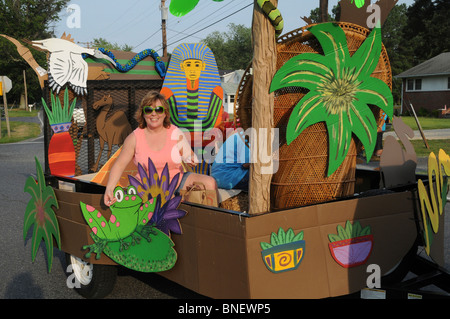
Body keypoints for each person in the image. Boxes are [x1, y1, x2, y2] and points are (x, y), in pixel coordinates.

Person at [103, 91, 218, 206]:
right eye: (149, 110)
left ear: (165, 114)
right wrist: (109, 188)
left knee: (209, 182)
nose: (154, 114)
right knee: (166, 198)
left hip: (177, 180)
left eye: (159, 110)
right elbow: (119, 165)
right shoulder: (134, 138)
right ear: (143, 114)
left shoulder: (175, 132)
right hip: (148, 186)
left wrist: (191, 158)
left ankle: (213, 221)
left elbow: (188, 154)